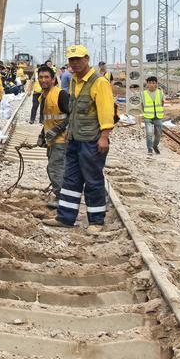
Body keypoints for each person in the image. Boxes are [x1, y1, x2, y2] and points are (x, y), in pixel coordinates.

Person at [45, 45, 114, 233]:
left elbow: (107, 111)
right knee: (71, 179)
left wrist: (104, 137)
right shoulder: (75, 80)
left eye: (77, 59)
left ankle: (96, 221)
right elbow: (75, 110)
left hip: (92, 140)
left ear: (87, 59)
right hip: (75, 138)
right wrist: (69, 131)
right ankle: (66, 217)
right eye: (71, 60)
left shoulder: (99, 82)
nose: (74, 63)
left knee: (92, 179)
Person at [36, 65, 69, 207]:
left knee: (54, 168)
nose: (43, 80)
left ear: (53, 79)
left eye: (46, 77)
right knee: (56, 167)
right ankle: (64, 196)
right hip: (52, 140)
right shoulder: (43, 97)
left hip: (62, 139)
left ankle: (62, 199)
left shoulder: (61, 95)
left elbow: (72, 115)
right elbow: (49, 119)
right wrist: (42, 135)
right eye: (41, 77)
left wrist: (57, 129)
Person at [143, 76, 165, 156]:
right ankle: (149, 149)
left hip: (158, 116)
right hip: (148, 116)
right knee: (149, 133)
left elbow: (162, 102)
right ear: (147, 84)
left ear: (156, 84)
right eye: (150, 83)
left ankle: (155, 146)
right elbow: (142, 104)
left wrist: (160, 110)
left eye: (153, 83)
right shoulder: (143, 93)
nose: (151, 85)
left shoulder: (160, 92)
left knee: (158, 134)